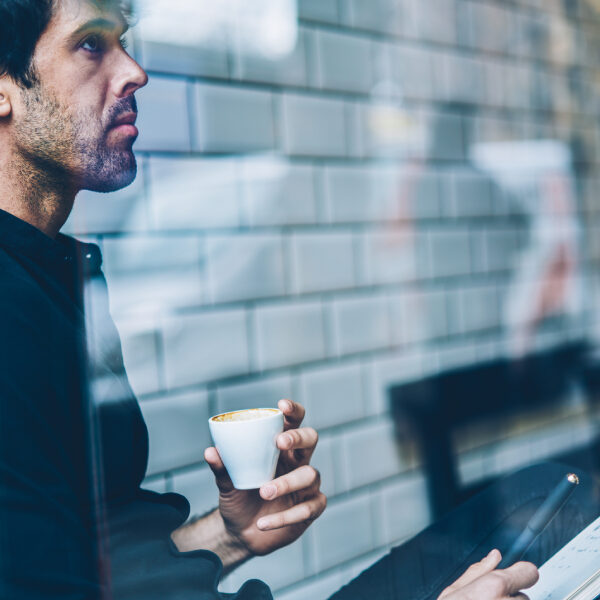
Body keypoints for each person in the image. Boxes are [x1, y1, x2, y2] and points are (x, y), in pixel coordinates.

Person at [0, 0, 593, 598]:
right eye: (91, 45)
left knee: (552, 496)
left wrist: (231, 535)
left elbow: (96, 567)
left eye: (122, 41)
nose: (134, 71)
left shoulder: (56, 276)